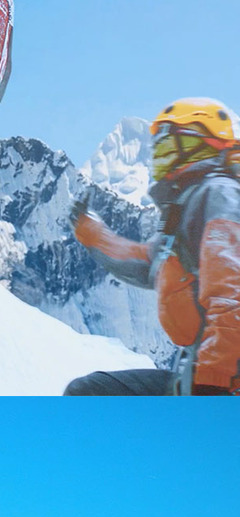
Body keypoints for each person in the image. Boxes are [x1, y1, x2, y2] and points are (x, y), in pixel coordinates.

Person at [65, 98, 240, 396]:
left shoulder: (219, 195)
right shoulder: (188, 208)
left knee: (92, 395)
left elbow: (232, 292)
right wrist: (93, 234)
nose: (161, 161)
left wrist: (212, 383)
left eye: (170, 149)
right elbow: (147, 263)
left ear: (206, 145)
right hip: (211, 376)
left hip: (221, 382)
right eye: (158, 152)